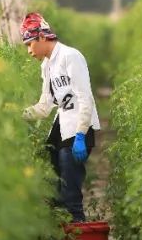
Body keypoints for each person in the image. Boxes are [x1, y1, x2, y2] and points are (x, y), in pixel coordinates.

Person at [20, 12, 101, 222]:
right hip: (61, 128)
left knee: (70, 194)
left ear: (43, 37)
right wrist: (16, 115)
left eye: (30, 44)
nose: (29, 51)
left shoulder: (70, 57)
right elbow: (44, 106)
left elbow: (86, 98)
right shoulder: (46, 66)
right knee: (57, 193)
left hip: (77, 129)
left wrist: (82, 135)